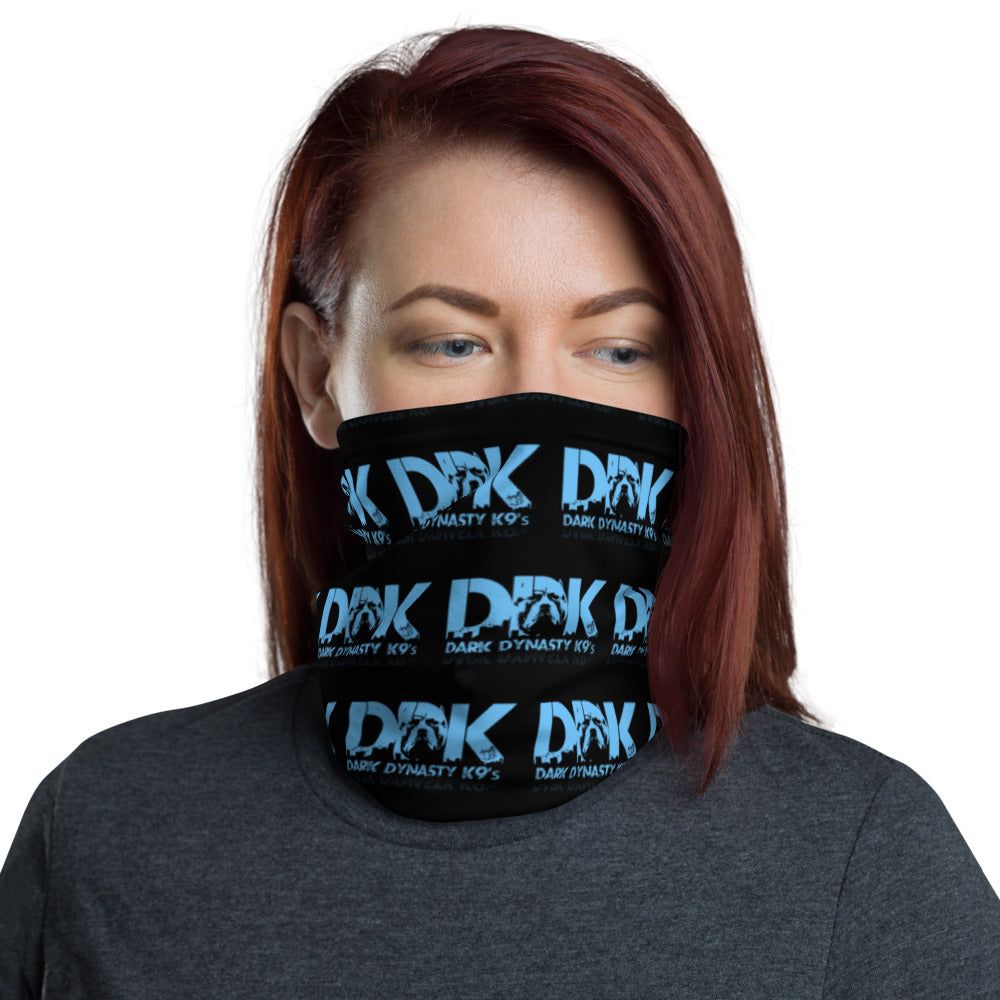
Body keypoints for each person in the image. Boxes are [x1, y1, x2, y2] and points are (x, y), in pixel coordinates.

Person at [2, 23, 997, 997]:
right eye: (450, 342)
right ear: (317, 379)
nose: (533, 408)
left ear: (691, 390)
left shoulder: (864, 861)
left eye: (618, 349)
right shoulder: (107, 836)